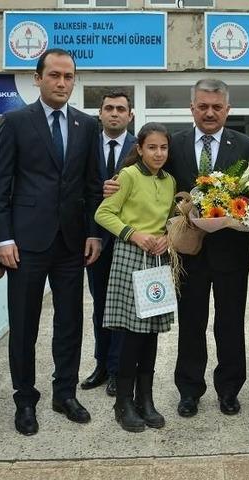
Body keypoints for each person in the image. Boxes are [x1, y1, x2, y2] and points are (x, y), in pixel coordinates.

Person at [0, 48, 102, 436]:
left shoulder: (87, 125)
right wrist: (2, 238)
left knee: (70, 321)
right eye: (54, 75)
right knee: (24, 324)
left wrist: (93, 232)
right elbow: (0, 184)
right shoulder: (16, 122)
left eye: (68, 76)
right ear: (37, 79)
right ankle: (25, 400)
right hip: (26, 244)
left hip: (72, 243)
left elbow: (91, 185)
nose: (61, 83)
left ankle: (65, 393)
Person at [168, 79, 249, 417]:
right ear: (191, 108)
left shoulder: (247, 146)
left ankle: (230, 389)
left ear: (227, 110)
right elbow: (163, 191)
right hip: (188, 254)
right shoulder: (173, 144)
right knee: (191, 324)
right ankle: (189, 390)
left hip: (231, 254)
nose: (209, 112)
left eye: (216, 107)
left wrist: (233, 211)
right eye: (203, 106)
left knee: (230, 324)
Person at [95, 122, 176, 433]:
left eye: (163, 147)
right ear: (140, 149)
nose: (158, 153)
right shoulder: (127, 176)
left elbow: (170, 218)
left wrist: (168, 236)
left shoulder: (169, 181)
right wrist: (134, 234)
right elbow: (103, 213)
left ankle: (146, 398)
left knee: (152, 332)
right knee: (132, 333)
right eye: (152, 147)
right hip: (131, 256)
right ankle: (123, 402)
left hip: (158, 259)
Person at [80, 92, 137, 397]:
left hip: (129, 241)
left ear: (130, 115)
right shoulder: (85, 146)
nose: (114, 114)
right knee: (101, 306)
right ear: (100, 114)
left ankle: (119, 369)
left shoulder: (140, 148)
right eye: (109, 109)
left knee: (124, 309)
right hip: (95, 241)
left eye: (121, 109)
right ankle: (101, 365)